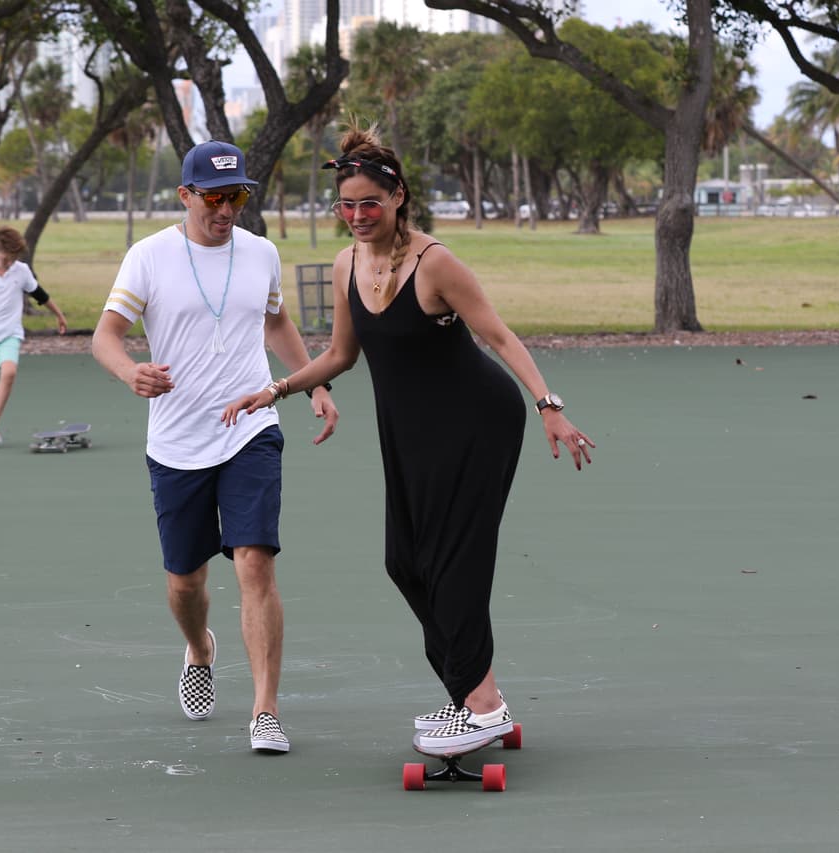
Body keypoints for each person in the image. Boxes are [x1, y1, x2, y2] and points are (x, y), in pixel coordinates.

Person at [221, 125, 595, 757]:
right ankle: (479, 691)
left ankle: (478, 706)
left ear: (399, 199)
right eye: (347, 205)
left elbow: (499, 338)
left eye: (370, 202)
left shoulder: (435, 262)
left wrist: (548, 405)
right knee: (406, 562)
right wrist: (277, 389)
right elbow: (341, 355)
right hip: (410, 431)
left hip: (477, 423)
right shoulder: (345, 265)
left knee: (455, 564)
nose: (358, 216)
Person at [92, 140, 338, 754]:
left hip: (251, 427)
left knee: (255, 561)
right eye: (215, 197)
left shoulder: (261, 253)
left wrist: (314, 385)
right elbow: (106, 336)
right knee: (185, 582)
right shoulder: (148, 257)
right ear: (185, 195)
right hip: (176, 440)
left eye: (238, 196)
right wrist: (130, 372)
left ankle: (265, 710)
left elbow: (276, 321)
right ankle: (200, 647)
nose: (228, 209)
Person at [0, 226, 67, 447]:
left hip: (10, 333)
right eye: (6, 259)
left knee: (9, 372)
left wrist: (59, 315)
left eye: (13, 259)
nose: (10, 263)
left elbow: (40, 295)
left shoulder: (21, 271)